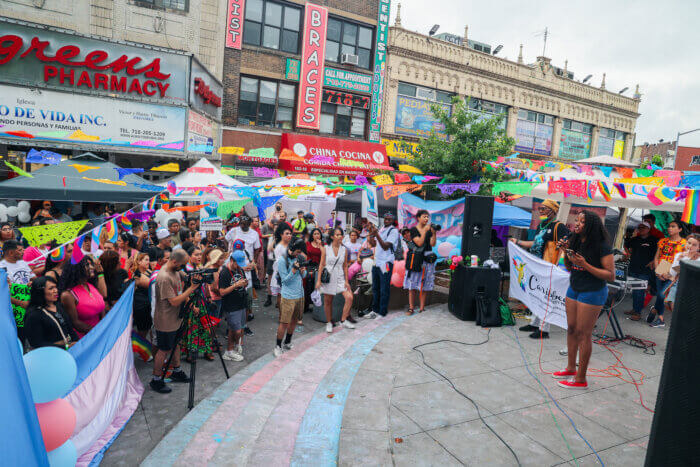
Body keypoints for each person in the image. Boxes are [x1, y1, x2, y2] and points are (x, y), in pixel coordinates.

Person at [556, 211, 615, 390]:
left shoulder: (602, 245)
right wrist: (565, 252)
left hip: (593, 291)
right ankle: (570, 368)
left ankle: (581, 379)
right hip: (574, 287)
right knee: (572, 328)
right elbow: (570, 266)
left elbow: (610, 276)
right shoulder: (574, 240)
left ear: (591, 225)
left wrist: (585, 265)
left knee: (584, 333)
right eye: (577, 220)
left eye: (582, 221)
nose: (578, 223)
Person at [510, 199, 570, 339]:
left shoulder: (558, 226)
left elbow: (566, 244)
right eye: (540, 209)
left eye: (544, 208)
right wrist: (517, 242)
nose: (541, 211)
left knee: (546, 298)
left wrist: (559, 266)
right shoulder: (542, 225)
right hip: (537, 266)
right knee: (537, 295)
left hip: (549, 267)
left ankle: (544, 329)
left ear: (553, 210)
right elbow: (534, 243)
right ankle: (534, 323)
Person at [151, 249, 199, 394]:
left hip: (176, 318)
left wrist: (191, 300)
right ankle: (156, 380)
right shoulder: (164, 277)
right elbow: (174, 301)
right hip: (166, 320)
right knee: (164, 349)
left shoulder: (177, 270)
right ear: (174, 261)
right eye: (182, 265)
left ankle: (176, 371)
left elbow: (184, 282)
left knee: (176, 344)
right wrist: (192, 288)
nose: (183, 268)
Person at [649, 220, 687, 327]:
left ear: (680, 229)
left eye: (673, 226)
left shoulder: (684, 243)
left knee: (662, 294)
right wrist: (658, 271)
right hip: (662, 266)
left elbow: (684, 261)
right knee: (659, 294)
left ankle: (657, 313)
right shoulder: (663, 241)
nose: (669, 228)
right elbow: (657, 257)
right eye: (669, 226)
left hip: (674, 269)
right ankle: (658, 315)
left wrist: (671, 274)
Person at [316, 227, 354, 332]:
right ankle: (329, 322)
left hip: (341, 277)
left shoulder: (344, 249)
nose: (340, 236)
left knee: (349, 297)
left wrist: (346, 281)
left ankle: (343, 320)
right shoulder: (326, 248)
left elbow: (345, 266)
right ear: (332, 236)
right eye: (337, 235)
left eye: (341, 234)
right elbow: (321, 265)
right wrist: (318, 280)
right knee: (328, 301)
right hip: (329, 276)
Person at [274, 239, 308, 356]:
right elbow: (284, 281)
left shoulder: (299, 258)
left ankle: (287, 342)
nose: (298, 254)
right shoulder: (282, 260)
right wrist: (293, 270)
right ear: (291, 249)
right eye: (297, 252)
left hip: (300, 294)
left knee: (294, 320)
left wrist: (303, 271)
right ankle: (278, 346)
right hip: (288, 296)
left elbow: (303, 276)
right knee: (284, 322)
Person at [25, 276, 78, 349]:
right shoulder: (34, 315)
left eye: (55, 287)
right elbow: (37, 343)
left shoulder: (58, 306)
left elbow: (70, 329)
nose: (55, 290)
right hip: (51, 355)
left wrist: (78, 343)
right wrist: (65, 346)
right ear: (40, 291)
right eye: (51, 288)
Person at [60, 256, 107, 337]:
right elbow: (75, 323)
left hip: (101, 333)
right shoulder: (68, 295)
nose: (92, 267)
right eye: (87, 265)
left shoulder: (91, 285)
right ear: (77, 268)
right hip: (85, 338)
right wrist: (98, 332)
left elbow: (102, 306)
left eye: (91, 264)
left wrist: (105, 327)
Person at [366, 214, 400, 319]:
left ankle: (382, 312)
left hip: (386, 263)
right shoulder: (381, 229)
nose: (387, 220)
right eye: (385, 218)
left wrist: (376, 235)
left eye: (389, 219)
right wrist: (371, 234)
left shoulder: (393, 231)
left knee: (384, 289)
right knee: (375, 288)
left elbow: (385, 246)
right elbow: (374, 244)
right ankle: (375, 310)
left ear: (393, 220)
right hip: (377, 262)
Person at [404, 210, 437, 315]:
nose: (426, 219)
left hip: (428, 258)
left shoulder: (429, 229)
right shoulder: (413, 230)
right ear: (418, 218)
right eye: (424, 217)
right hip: (417, 258)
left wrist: (433, 233)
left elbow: (433, 243)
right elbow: (419, 242)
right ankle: (411, 307)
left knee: (425, 284)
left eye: (427, 217)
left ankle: (422, 308)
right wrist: (425, 231)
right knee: (412, 284)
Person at [1, 240, 35, 342]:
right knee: (20, 338)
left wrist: (32, 283)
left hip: (28, 306)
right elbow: (3, 294)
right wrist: (21, 303)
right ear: (11, 253)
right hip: (15, 311)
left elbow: (33, 278)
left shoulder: (23, 263)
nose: (23, 252)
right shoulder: (1, 267)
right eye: (19, 250)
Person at [624, 222, 658, 321]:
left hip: (645, 270)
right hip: (633, 268)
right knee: (634, 291)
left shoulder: (654, 240)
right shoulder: (635, 239)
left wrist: (653, 261)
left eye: (643, 227)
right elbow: (626, 245)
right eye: (639, 227)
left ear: (648, 229)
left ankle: (638, 313)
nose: (641, 229)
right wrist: (628, 253)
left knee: (640, 291)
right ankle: (635, 309)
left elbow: (659, 252)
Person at [219, 250, 249, 362]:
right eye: (237, 264)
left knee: (239, 328)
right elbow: (221, 292)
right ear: (231, 261)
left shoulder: (240, 269)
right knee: (235, 331)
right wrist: (235, 285)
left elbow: (245, 283)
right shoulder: (224, 273)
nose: (239, 267)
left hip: (241, 303)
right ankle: (231, 349)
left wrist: (245, 283)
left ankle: (231, 350)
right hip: (231, 305)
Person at [665, 234, 700, 311]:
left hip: (692, 287)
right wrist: (678, 260)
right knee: (673, 307)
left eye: (694, 245)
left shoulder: (699, 259)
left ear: (698, 247)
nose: (690, 246)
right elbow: (673, 273)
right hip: (678, 283)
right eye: (689, 243)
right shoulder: (679, 255)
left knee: (685, 311)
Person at [270, 224, 293, 306]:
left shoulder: (290, 245)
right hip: (282, 275)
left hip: (288, 274)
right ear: (281, 235)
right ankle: (281, 317)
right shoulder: (279, 247)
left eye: (290, 233)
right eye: (287, 233)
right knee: (282, 296)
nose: (289, 235)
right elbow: (280, 263)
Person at [130, 253, 153, 335]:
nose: (148, 262)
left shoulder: (148, 271)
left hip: (148, 305)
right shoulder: (137, 275)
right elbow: (153, 285)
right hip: (141, 307)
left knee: (150, 329)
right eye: (146, 260)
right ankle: (140, 347)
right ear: (139, 262)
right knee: (142, 332)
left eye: (149, 260)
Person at [304, 228, 324, 315]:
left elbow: (325, 256)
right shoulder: (307, 244)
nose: (317, 235)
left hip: (319, 266)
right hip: (308, 266)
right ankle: (306, 305)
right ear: (312, 235)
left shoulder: (323, 244)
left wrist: (320, 246)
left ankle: (316, 304)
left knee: (316, 285)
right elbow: (305, 255)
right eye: (315, 234)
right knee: (307, 283)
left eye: (318, 234)